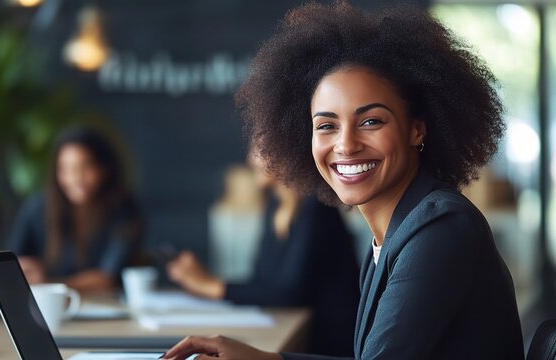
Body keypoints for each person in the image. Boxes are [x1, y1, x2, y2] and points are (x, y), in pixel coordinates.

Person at [161, 2, 524, 360]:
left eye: (371, 121)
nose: (346, 145)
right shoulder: (392, 234)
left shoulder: (440, 228)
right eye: (326, 126)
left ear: (417, 129)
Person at [167, 148, 359, 357]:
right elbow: (262, 280)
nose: (250, 159)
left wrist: (210, 285)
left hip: (327, 347)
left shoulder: (316, 207)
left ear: (286, 147)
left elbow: (288, 295)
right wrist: (205, 285)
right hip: (295, 336)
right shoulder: (275, 206)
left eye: (259, 148)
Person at [8, 127, 143, 293]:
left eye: (86, 166)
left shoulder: (123, 210)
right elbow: (13, 261)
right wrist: (26, 270)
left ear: (104, 169)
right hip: (45, 304)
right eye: (66, 169)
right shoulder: (37, 207)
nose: (76, 178)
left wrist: (49, 284)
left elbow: (107, 278)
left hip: (105, 303)